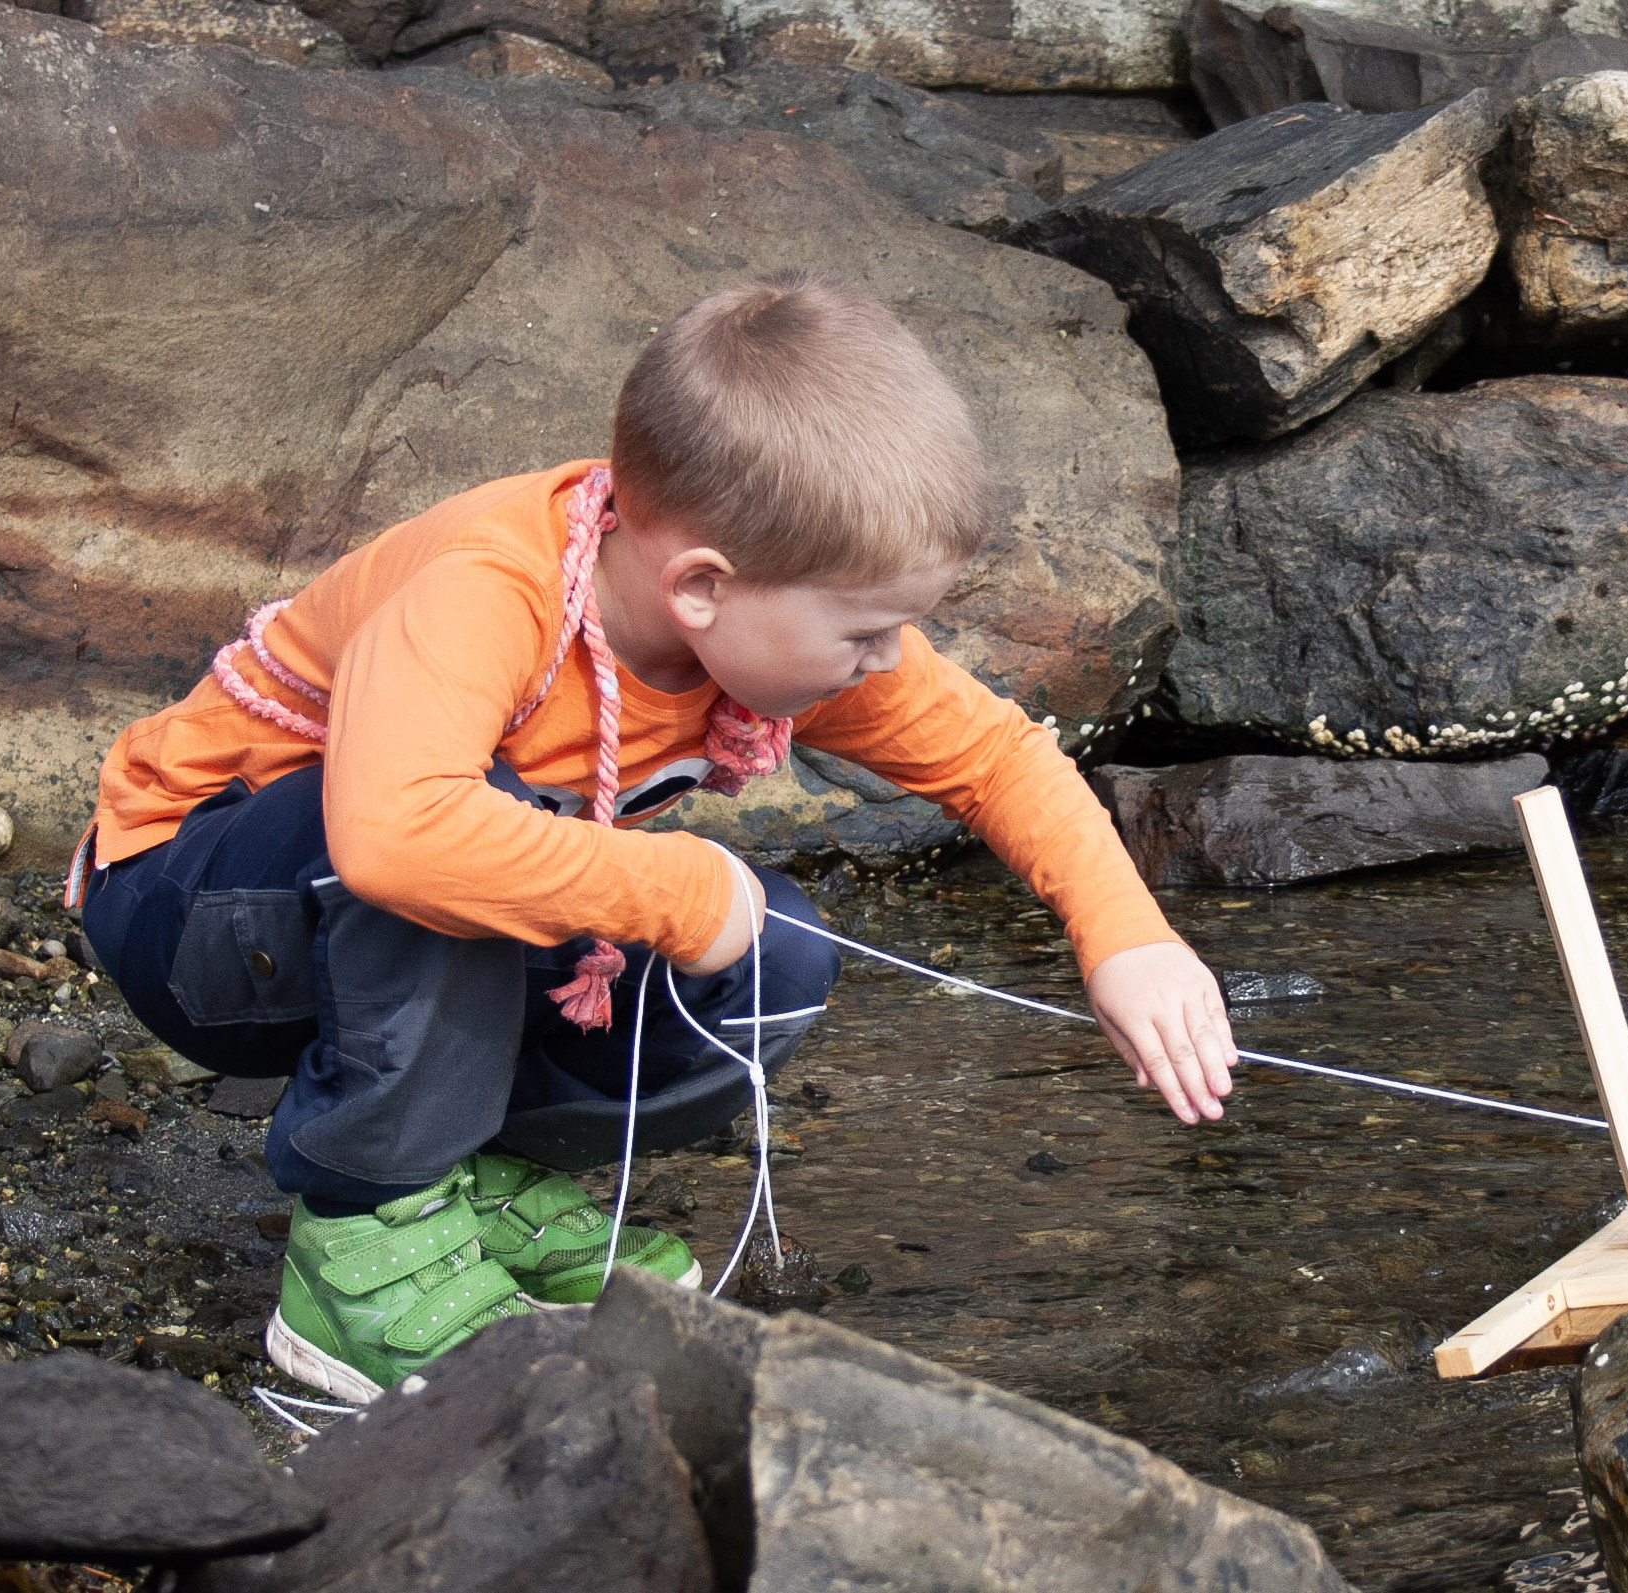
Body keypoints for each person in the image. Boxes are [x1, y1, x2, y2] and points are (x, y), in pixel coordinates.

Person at [71, 272, 1240, 1404]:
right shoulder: (493, 588)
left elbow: (995, 757)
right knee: (467, 825)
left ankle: (475, 1186)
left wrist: (1124, 936)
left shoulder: (770, 616)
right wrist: (676, 887)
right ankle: (354, 1257)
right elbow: (393, 837)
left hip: (369, 915)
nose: (889, 661)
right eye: (871, 632)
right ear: (702, 587)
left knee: (773, 956)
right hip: (197, 915)